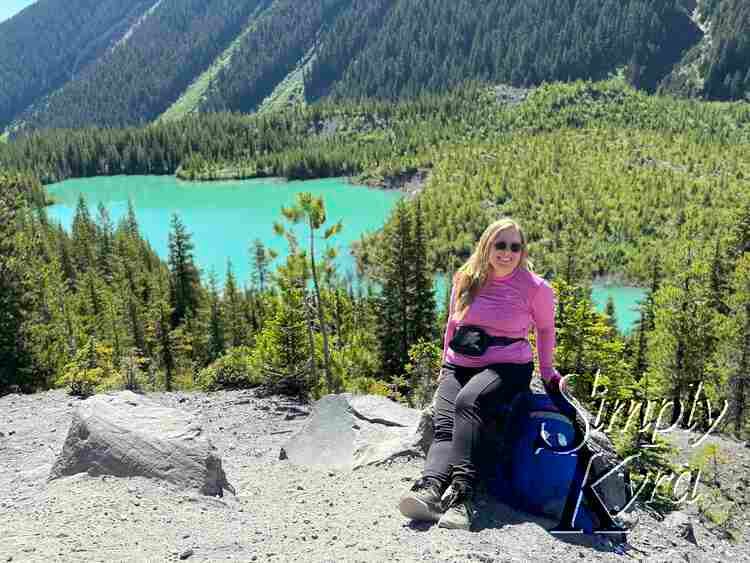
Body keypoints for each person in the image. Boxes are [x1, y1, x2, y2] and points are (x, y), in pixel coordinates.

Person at [398, 218, 562, 530]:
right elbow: (452, 323)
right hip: (459, 362)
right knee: (445, 422)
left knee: (468, 403)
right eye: (501, 245)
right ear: (487, 245)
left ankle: (463, 497)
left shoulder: (536, 288)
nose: (507, 252)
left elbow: (544, 329)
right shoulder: (466, 277)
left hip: (508, 365)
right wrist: (444, 363)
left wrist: (548, 371)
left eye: (515, 246)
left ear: (522, 251)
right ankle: (431, 489)